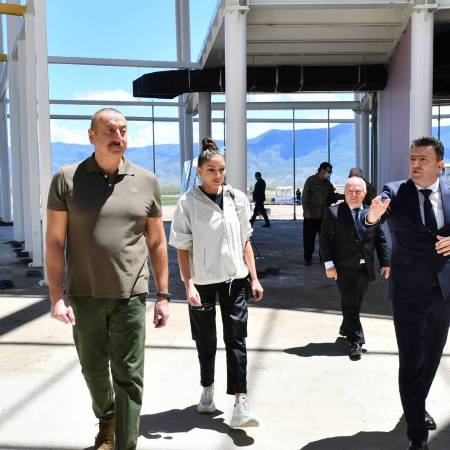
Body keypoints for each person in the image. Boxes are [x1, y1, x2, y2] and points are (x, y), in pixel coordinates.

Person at [46, 108, 170, 450]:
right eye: (110, 130)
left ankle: (125, 443)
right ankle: (108, 422)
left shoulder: (147, 181)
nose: (118, 137)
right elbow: (55, 241)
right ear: (91, 136)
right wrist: (57, 296)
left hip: (131, 294)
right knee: (94, 369)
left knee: (129, 374)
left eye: (123, 130)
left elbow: (157, 242)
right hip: (84, 294)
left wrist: (163, 295)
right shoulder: (66, 179)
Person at [169, 137, 264, 429]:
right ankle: (207, 389)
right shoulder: (187, 202)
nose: (217, 174)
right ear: (199, 171)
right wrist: (188, 284)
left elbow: (245, 240)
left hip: (235, 280)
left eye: (221, 169)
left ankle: (240, 402)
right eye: (211, 170)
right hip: (202, 282)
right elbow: (182, 248)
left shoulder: (237, 199)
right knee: (205, 339)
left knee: (236, 339)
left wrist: (254, 278)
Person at [366, 136, 450, 450]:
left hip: (443, 292)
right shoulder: (395, 190)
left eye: (422, 159)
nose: (415, 164)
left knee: (432, 357)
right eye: (412, 158)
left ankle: (416, 405)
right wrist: (372, 215)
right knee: (412, 361)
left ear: (439, 165)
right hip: (408, 292)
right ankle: (417, 435)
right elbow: (374, 217)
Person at [320, 177, 390, 358]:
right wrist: (329, 265)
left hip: (365, 268)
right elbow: (325, 240)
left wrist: (385, 262)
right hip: (343, 267)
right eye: (349, 191)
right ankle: (356, 341)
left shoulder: (371, 213)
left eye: (357, 191)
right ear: (344, 193)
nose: (353, 194)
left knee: (355, 301)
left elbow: (380, 238)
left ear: (364, 193)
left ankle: (346, 326)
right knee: (351, 301)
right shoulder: (333, 212)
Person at [302, 162, 344, 266]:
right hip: (311, 216)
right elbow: (305, 196)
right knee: (309, 239)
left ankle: (324, 259)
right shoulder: (311, 180)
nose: (329, 174)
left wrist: (345, 196)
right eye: (328, 172)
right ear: (322, 170)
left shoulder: (327, 184)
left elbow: (333, 196)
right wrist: (306, 210)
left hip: (323, 216)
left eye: (330, 172)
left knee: (325, 239)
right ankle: (308, 258)